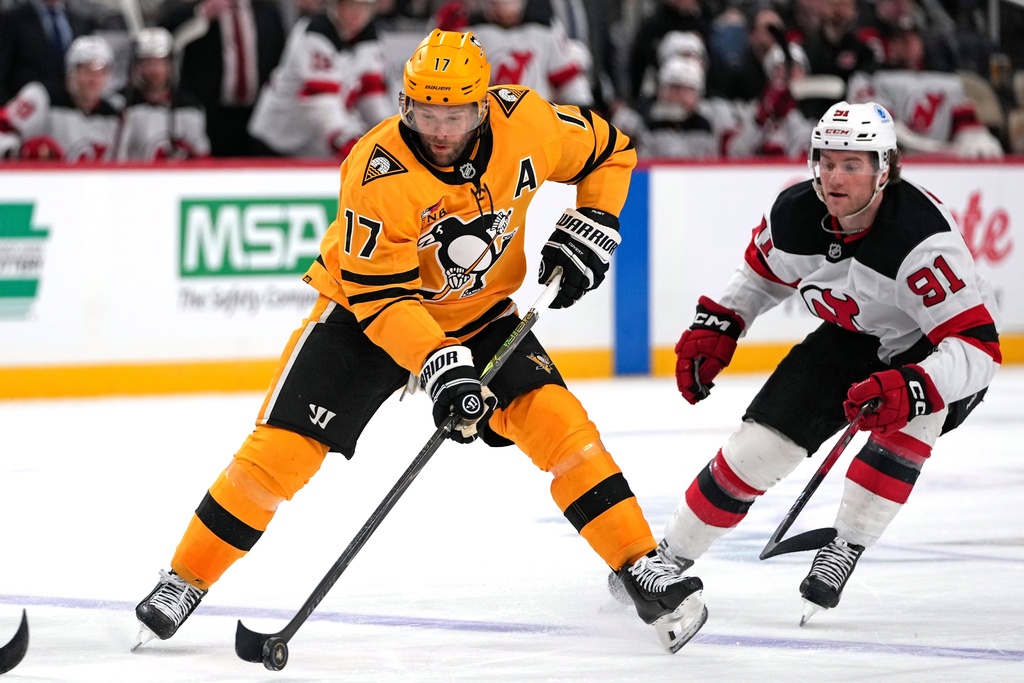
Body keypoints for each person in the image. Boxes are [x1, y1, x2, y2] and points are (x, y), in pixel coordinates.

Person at [132, 28, 707, 654]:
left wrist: (595, 219)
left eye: (453, 113)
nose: (437, 127)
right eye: (424, 111)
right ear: (405, 103)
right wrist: (441, 366)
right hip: (363, 316)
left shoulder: (530, 124)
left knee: (562, 425)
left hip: (482, 312)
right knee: (281, 454)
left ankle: (637, 562)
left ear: (482, 105)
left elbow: (609, 151)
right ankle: (184, 578)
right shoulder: (377, 170)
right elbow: (384, 300)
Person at [610, 100, 1001, 623]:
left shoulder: (921, 240)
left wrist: (912, 386)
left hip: (931, 350)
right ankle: (669, 557)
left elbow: (978, 349)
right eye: (828, 161)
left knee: (910, 420)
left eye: (853, 164)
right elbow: (758, 278)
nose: (835, 176)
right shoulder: (794, 214)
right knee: (757, 448)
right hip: (853, 334)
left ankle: (848, 543)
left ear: (884, 171)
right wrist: (720, 325)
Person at [248, 0, 392, 158]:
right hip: (281, 137)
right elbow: (320, 101)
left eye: (366, 7)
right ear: (336, 5)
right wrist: (345, 140)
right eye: (351, 6)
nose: (358, 14)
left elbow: (371, 95)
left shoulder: (368, 36)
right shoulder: (314, 33)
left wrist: (389, 133)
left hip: (316, 142)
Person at [156, 0, 287, 156]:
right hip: (210, 114)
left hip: (256, 115)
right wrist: (200, 13)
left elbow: (281, 59)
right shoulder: (198, 6)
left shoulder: (268, 11)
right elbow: (162, 34)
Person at [0, 35, 121, 161]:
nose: (94, 79)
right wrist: (17, 152)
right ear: (71, 72)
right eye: (87, 70)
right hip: (41, 180)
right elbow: (2, 128)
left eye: (102, 72)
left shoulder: (115, 111)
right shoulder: (41, 97)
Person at [116, 27, 210, 161]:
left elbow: (202, 158)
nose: (155, 70)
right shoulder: (120, 104)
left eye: (160, 62)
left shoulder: (189, 107)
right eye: (148, 62)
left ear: (171, 64)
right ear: (137, 65)